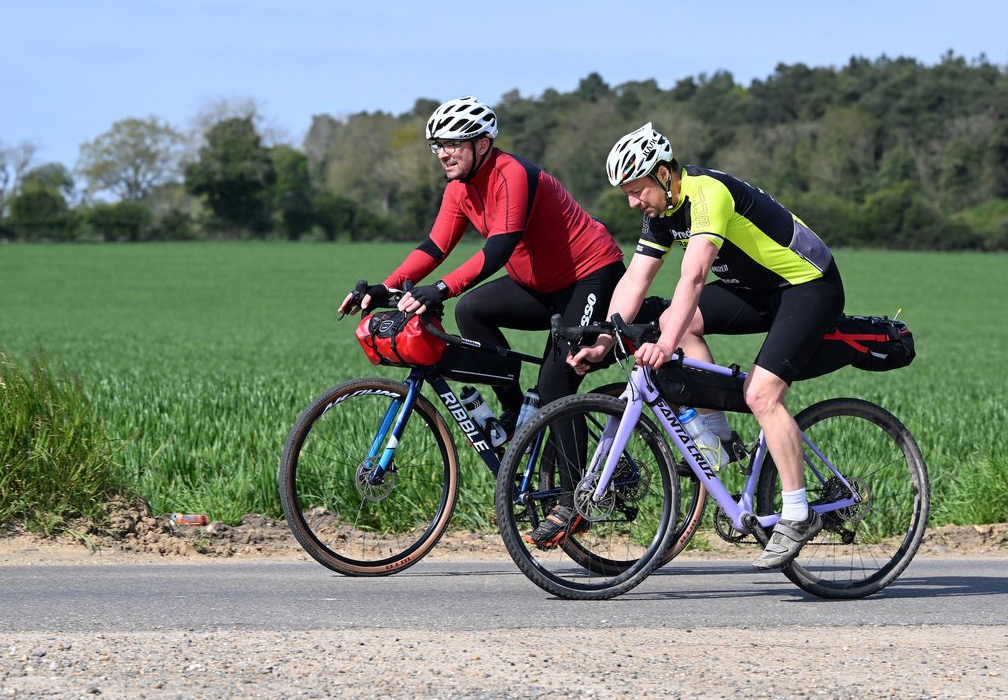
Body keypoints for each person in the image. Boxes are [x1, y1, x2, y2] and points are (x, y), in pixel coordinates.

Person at [338, 96, 627, 548]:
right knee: (472, 311)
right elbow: (434, 247)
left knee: (557, 384)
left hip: (590, 275)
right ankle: (514, 413)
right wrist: (384, 287)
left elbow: (498, 251)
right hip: (538, 284)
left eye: (453, 144)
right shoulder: (459, 187)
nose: (443, 154)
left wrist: (440, 288)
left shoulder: (512, 175)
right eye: (438, 146)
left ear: (483, 143)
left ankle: (574, 502)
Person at [568, 122, 846, 570]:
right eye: (626, 194)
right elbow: (636, 278)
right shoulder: (660, 213)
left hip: (806, 286)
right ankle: (716, 439)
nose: (633, 202)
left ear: (662, 174)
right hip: (756, 290)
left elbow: (693, 277)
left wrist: (667, 344)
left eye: (637, 190)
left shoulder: (707, 194)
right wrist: (604, 338)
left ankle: (796, 514)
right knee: (665, 322)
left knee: (761, 394)